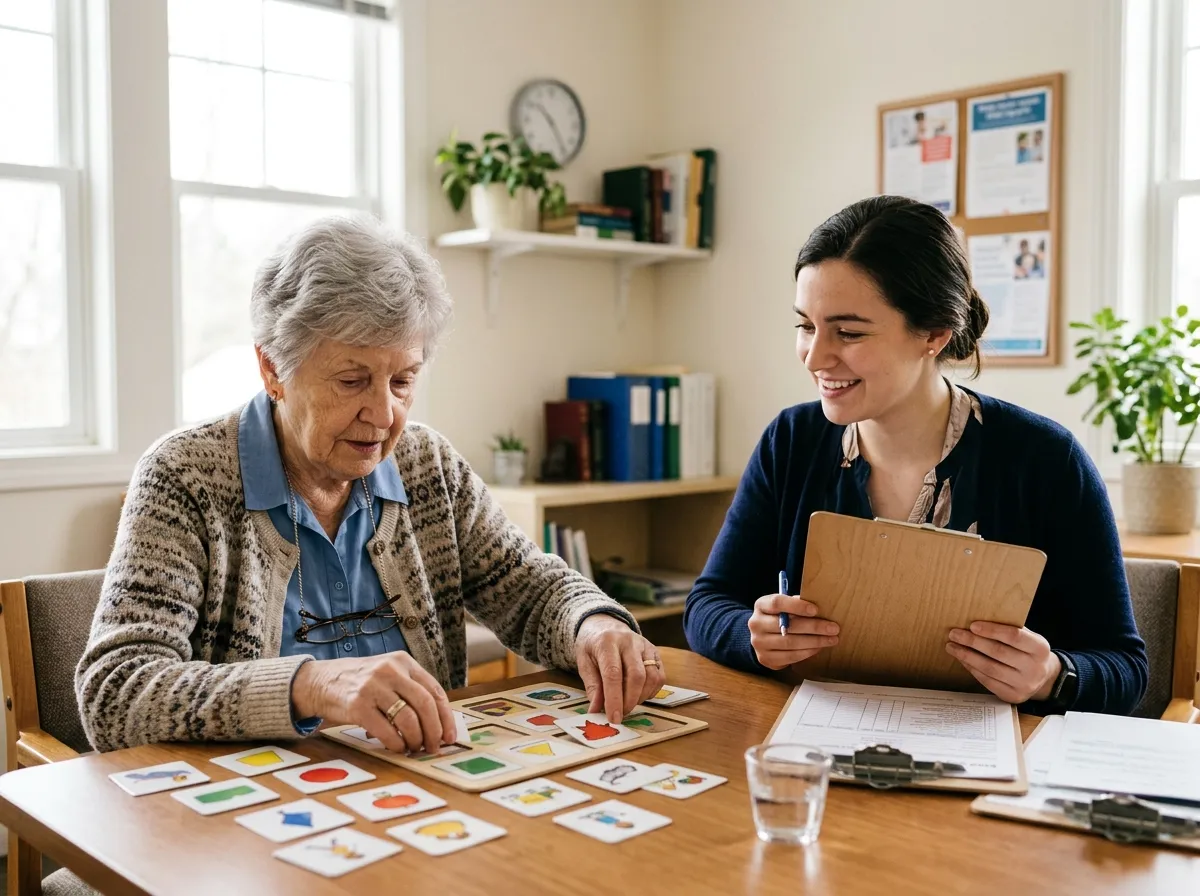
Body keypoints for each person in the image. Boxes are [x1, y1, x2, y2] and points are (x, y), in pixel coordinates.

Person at [77, 215, 666, 754]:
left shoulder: (426, 464)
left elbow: (525, 586)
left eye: (403, 380)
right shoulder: (184, 477)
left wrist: (593, 622)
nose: (384, 415)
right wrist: (310, 684)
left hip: (417, 793)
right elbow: (116, 692)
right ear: (272, 369)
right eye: (353, 380)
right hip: (246, 819)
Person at [683, 196, 1147, 715]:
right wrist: (752, 637)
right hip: (815, 742)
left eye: (849, 332)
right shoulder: (790, 440)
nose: (815, 357)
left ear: (933, 334)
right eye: (806, 326)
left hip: (992, 767)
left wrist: (1051, 675)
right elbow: (707, 606)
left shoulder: (1046, 460)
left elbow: (1124, 667)